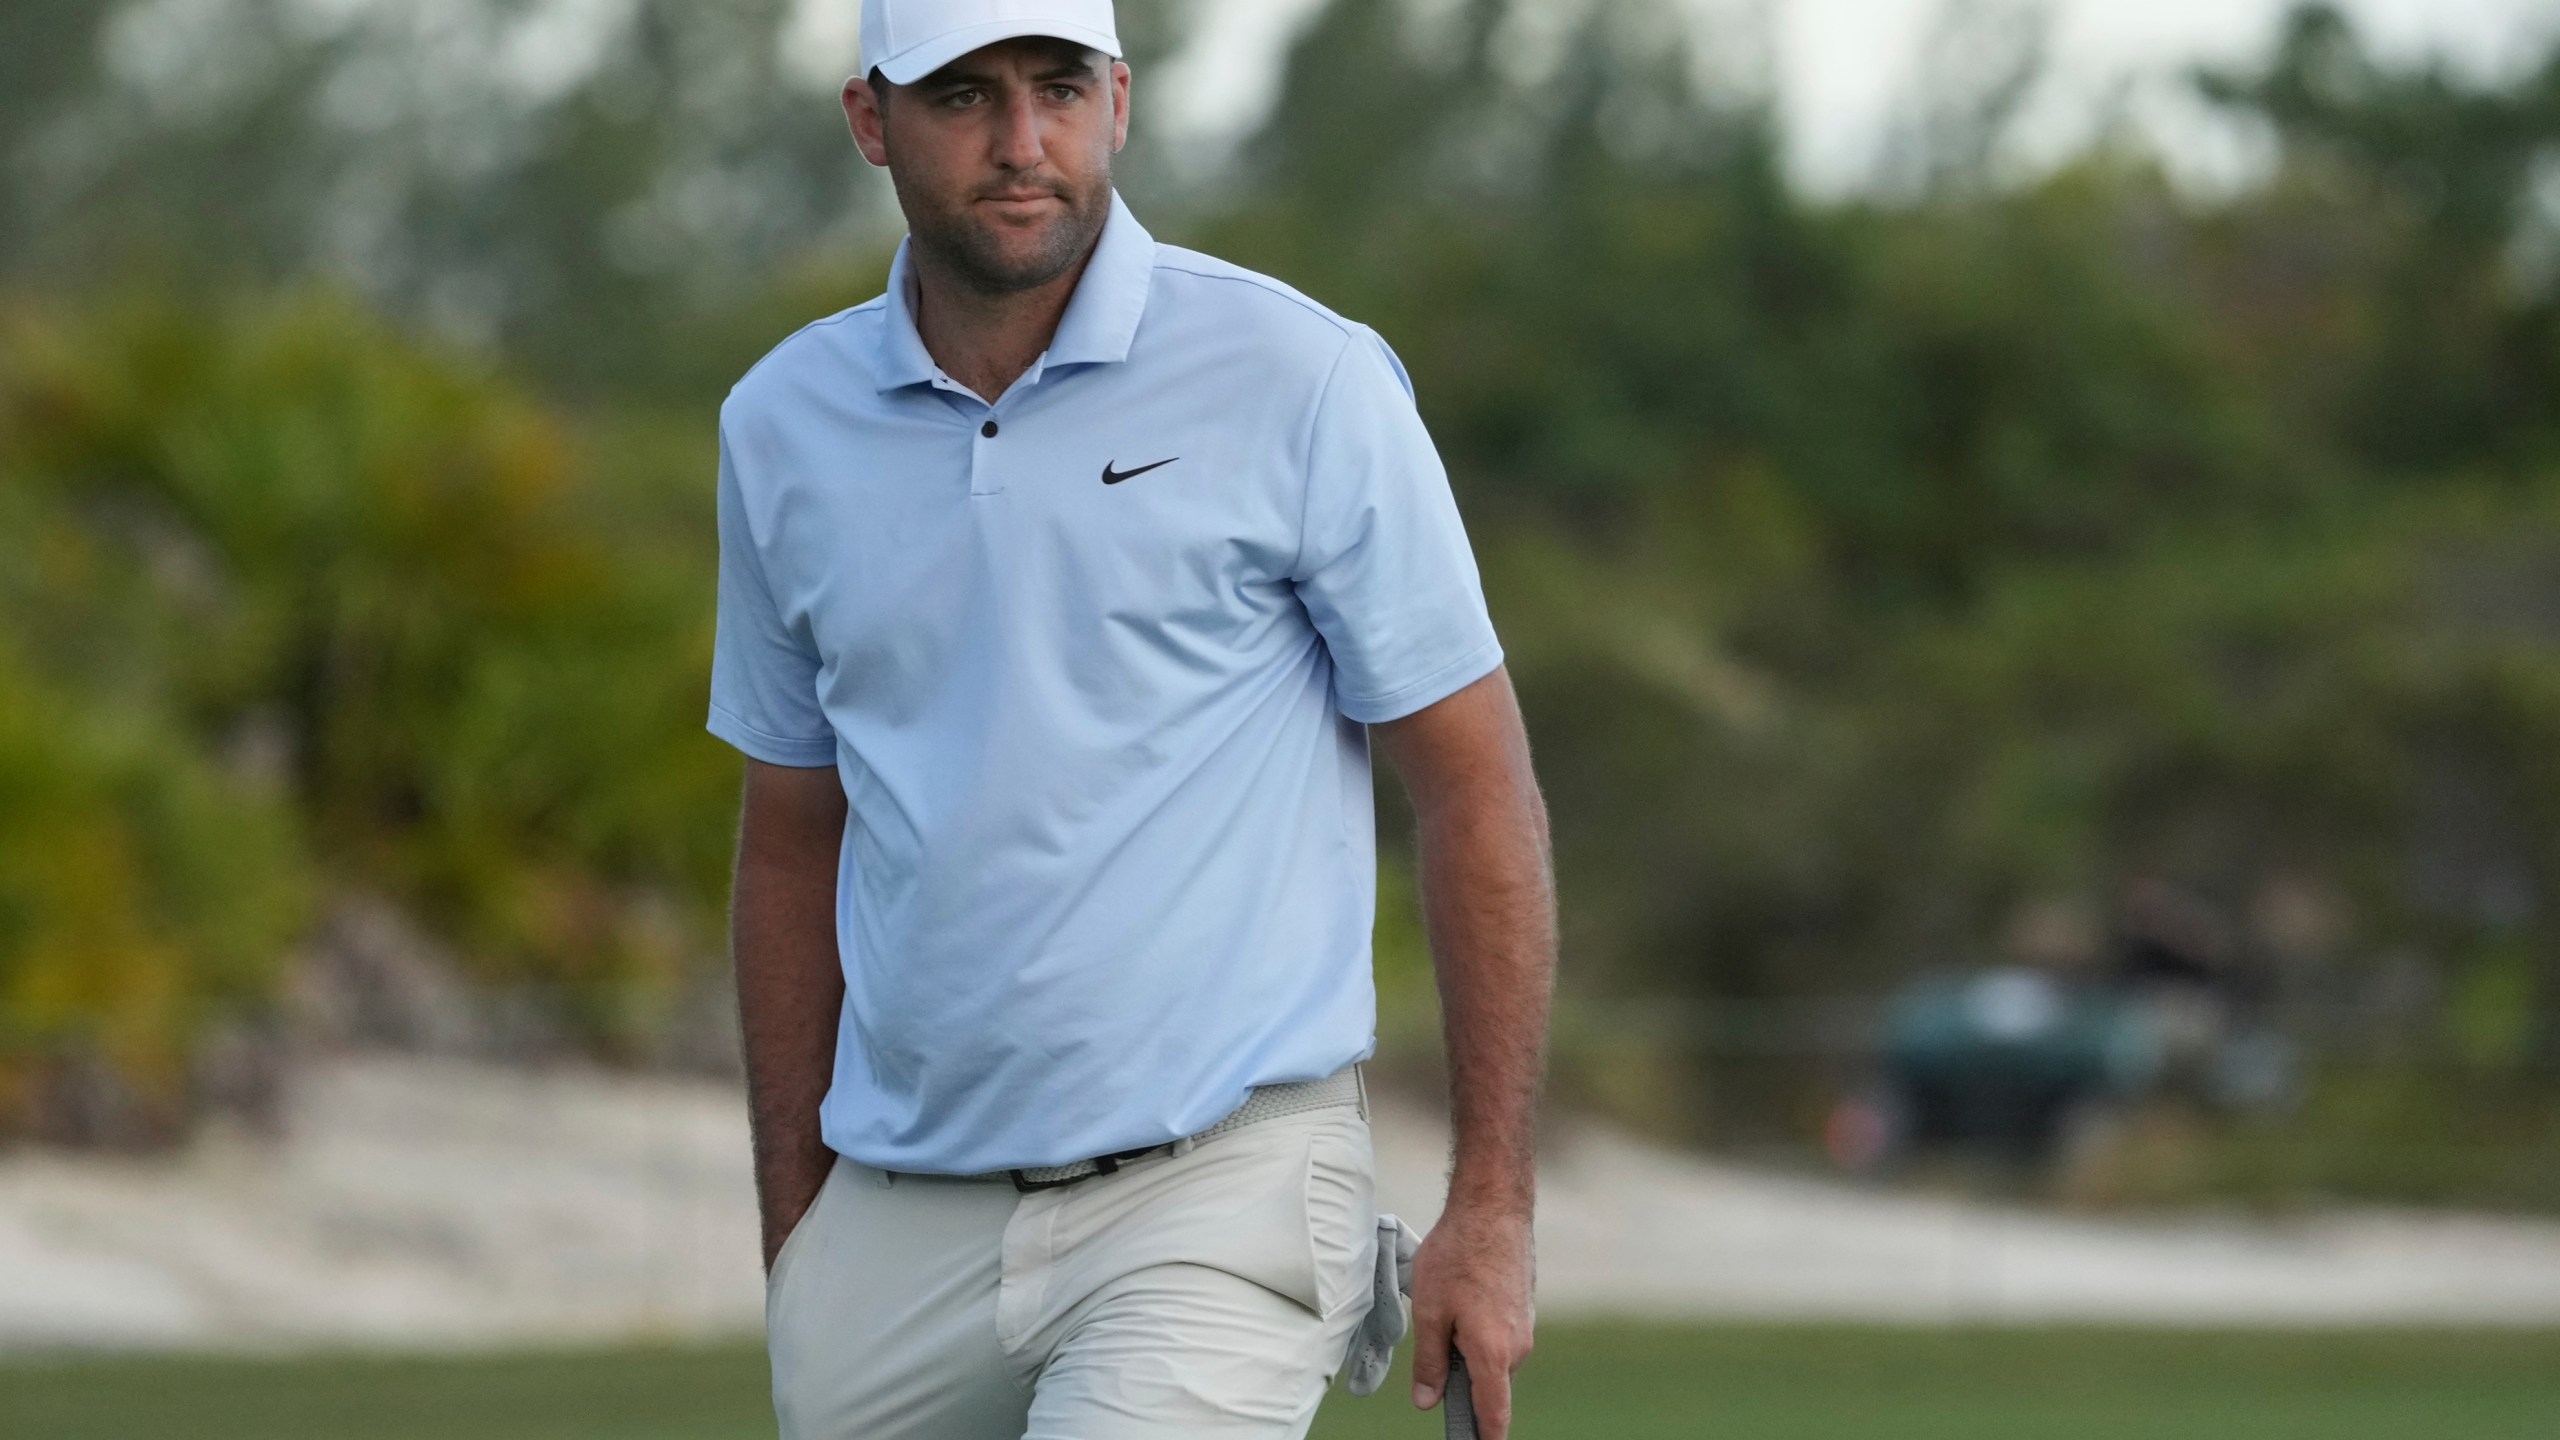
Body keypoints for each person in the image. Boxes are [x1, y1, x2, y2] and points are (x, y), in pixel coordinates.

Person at [707, 0, 1554, 1433]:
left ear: (1120, 101)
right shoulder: (783, 421)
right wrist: (801, 1236)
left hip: (1219, 1190)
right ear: (871, 123)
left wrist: (1492, 1203)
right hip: (901, 1218)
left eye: (1056, 88)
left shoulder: (1302, 377)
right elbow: (794, 837)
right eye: (964, 97)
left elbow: (1477, 787)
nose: (1022, 142)